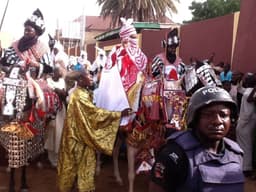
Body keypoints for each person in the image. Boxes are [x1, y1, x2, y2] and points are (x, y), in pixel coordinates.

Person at [149, 86, 244, 192]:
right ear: (195, 118)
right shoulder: (174, 155)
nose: (217, 121)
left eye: (223, 115)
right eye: (208, 115)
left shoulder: (235, 153)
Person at [57, 70, 131, 192]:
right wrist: (119, 114)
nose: (91, 77)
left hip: (81, 137)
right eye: (88, 75)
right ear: (80, 80)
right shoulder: (79, 96)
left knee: (79, 170)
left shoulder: (84, 93)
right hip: (76, 140)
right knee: (73, 170)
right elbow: (95, 115)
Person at [96, 17, 147, 128]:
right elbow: (108, 73)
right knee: (119, 126)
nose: (135, 39)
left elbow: (144, 73)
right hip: (119, 95)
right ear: (125, 38)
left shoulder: (141, 55)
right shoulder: (116, 52)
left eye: (135, 36)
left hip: (137, 94)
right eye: (132, 37)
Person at [0, 9, 53, 78]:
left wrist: (36, 64)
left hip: (32, 83)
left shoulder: (43, 48)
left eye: (29, 30)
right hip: (11, 80)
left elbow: (49, 70)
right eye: (25, 30)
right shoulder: (16, 44)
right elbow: (4, 62)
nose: (26, 32)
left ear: (36, 33)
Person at [45, 67, 67, 168]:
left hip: (61, 111)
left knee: (60, 133)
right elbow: (52, 93)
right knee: (52, 133)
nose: (60, 74)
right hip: (52, 112)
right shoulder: (48, 81)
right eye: (58, 72)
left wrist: (60, 92)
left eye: (61, 72)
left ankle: (58, 158)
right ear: (54, 73)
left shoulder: (62, 81)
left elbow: (64, 93)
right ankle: (51, 158)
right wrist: (58, 91)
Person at [236, 73, 256, 179]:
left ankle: (244, 167)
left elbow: (248, 97)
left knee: (245, 145)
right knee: (245, 145)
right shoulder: (248, 91)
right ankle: (244, 168)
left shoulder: (249, 91)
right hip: (245, 122)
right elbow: (248, 97)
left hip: (245, 122)